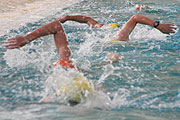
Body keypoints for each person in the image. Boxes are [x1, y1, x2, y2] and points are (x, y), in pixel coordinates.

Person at [4, 14, 176, 104]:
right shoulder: (119, 39)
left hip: (81, 71)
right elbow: (135, 18)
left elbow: (81, 21)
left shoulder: (100, 33)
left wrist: (68, 17)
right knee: (99, 83)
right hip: (84, 73)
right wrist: (158, 26)